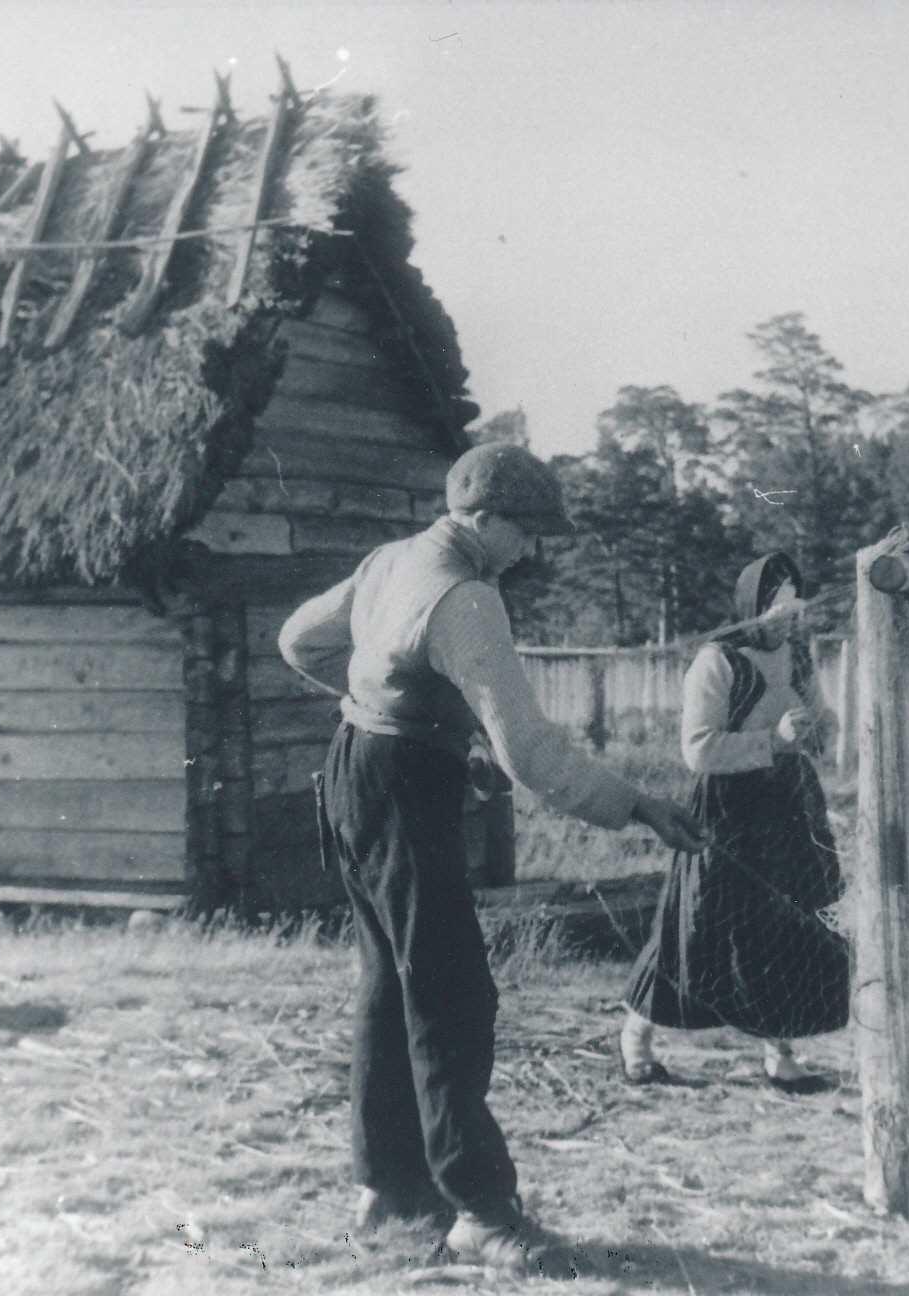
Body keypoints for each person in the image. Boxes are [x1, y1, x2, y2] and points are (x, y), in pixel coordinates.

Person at [277, 443, 707, 1274]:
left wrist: (389, 701)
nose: (532, 550)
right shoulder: (466, 599)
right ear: (480, 519)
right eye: (525, 531)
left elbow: (300, 642)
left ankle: (388, 1186)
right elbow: (533, 753)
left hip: (352, 774)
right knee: (450, 994)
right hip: (400, 789)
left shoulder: (391, 561)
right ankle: (479, 1209)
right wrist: (637, 806)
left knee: (388, 982)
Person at [619, 552, 851, 1095]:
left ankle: (781, 1055)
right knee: (695, 926)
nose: (788, 620)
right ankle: (637, 1041)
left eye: (795, 608)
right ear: (753, 608)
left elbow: (820, 716)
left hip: (789, 806)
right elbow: (698, 750)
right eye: (778, 608)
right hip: (729, 809)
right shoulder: (718, 661)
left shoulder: (796, 656)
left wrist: (823, 727)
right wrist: (775, 741)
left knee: (790, 924)